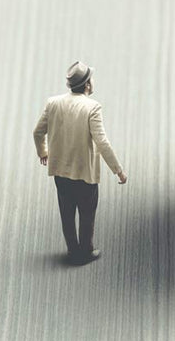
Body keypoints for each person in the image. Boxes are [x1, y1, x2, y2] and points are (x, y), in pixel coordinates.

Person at [32, 61, 127, 264]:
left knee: (66, 213)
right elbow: (102, 142)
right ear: (87, 85)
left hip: (60, 171)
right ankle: (86, 251)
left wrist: (43, 152)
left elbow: (37, 132)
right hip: (85, 174)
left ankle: (72, 250)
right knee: (86, 213)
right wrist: (117, 170)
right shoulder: (92, 107)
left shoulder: (53, 103)